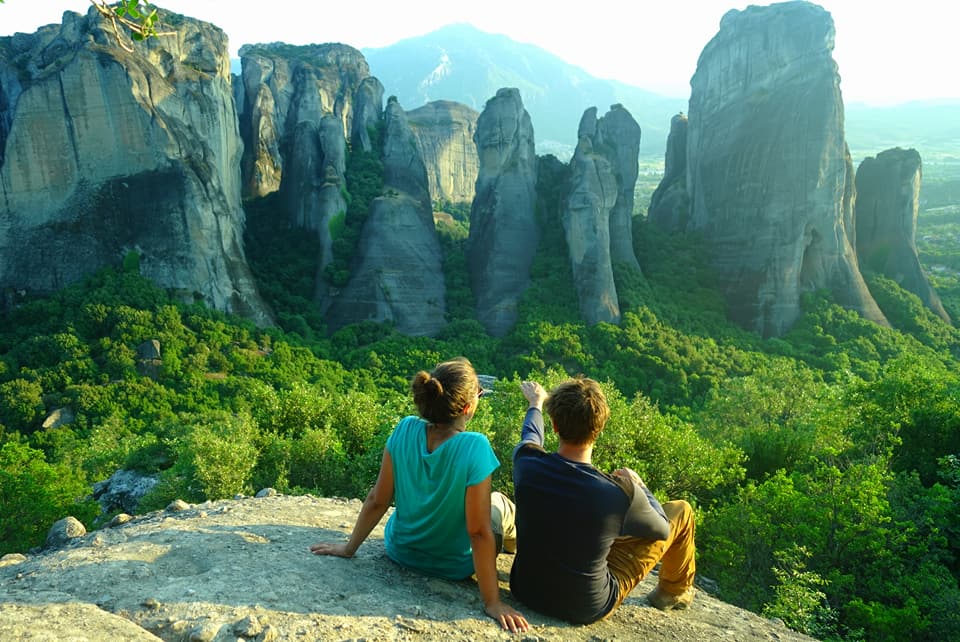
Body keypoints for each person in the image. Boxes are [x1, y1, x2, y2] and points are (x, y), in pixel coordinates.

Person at [309, 358, 528, 633]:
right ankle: (515, 547)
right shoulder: (475, 447)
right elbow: (478, 531)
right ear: (469, 407)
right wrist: (493, 602)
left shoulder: (404, 429)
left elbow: (378, 499)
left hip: (401, 551)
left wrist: (348, 548)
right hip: (455, 566)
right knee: (500, 504)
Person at [509, 378, 697, 624]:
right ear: (599, 428)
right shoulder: (618, 493)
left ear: (554, 425)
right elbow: (661, 529)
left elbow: (531, 434)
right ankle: (672, 592)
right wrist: (642, 488)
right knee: (681, 511)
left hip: (526, 591)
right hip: (586, 606)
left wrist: (536, 403)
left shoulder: (526, 463)